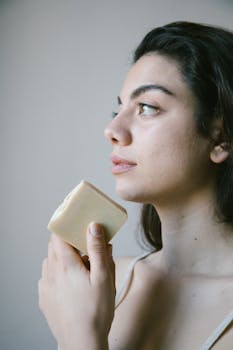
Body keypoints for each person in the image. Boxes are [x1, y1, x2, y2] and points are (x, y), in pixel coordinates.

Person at [38, 21, 233, 349]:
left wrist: (81, 340)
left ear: (220, 137)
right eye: (119, 108)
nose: (112, 129)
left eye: (146, 107)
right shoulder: (100, 285)